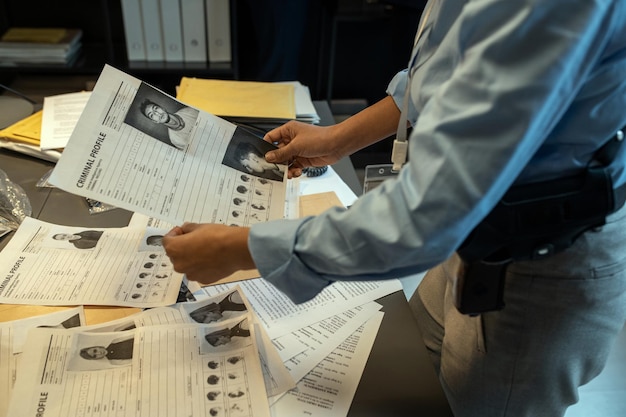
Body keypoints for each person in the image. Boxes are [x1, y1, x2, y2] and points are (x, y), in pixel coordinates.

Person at [163, 2, 626, 416]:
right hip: (474, 233)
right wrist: (337, 139)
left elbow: (425, 219)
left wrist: (243, 248)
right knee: (411, 370)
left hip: (536, 259)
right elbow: (440, 76)